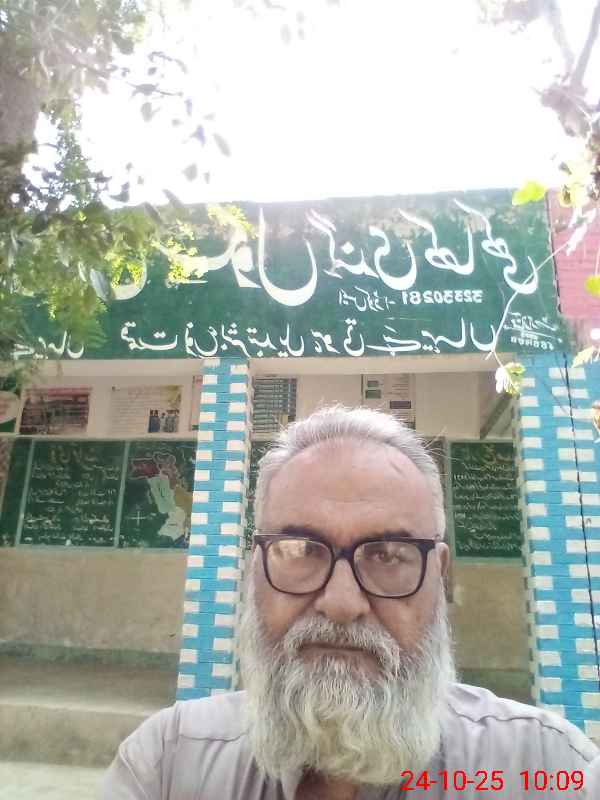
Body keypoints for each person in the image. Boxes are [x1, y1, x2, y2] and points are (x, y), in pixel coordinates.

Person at [100, 406, 600, 799]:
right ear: (255, 570)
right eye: (300, 550)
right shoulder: (168, 764)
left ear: (438, 576)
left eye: (389, 555)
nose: (341, 603)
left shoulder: (547, 769)